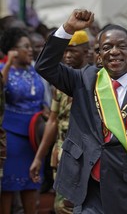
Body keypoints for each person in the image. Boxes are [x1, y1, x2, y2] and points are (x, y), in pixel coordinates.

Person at [34, 9, 127, 214]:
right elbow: (44, 66)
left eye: (121, 46)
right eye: (107, 47)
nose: (114, 51)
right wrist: (68, 29)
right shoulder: (84, 79)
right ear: (99, 56)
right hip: (88, 188)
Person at [30, 30, 90, 214]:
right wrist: (39, 157)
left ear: (86, 51)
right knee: (60, 207)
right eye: (65, 51)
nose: (67, 55)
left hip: (84, 156)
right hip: (62, 154)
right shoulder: (61, 82)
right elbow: (53, 121)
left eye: (73, 51)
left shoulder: (94, 81)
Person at [0, 27, 45, 214]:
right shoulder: (4, 69)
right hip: (12, 134)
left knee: (31, 182)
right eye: (25, 46)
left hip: (34, 134)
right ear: (13, 50)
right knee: (8, 184)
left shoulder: (34, 70)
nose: (30, 50)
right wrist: (8, 63)